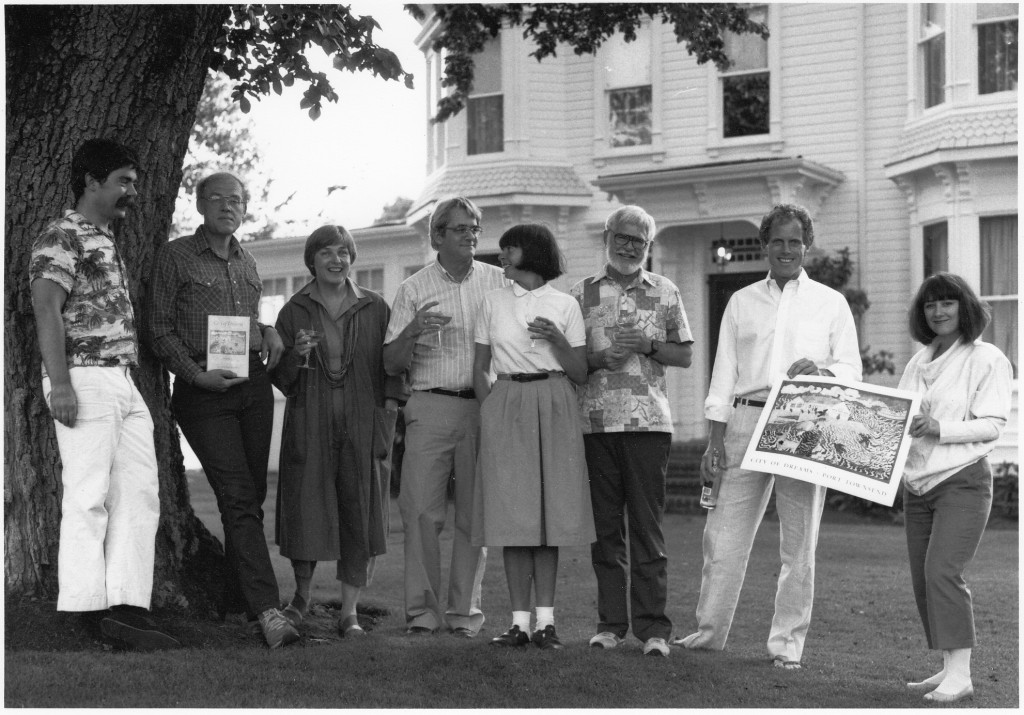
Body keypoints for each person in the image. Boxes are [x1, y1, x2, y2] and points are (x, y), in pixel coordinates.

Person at [674, 203, 862, 668]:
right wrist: (714, 441)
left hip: (804, 422)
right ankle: (709, 633)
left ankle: (787, 647)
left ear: (807, 245)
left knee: (799, 544)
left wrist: (822, 370)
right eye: (776, 240)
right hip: (744, 420)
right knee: (723, 537)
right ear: (764, 245)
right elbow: (723, 375)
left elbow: (851, 370)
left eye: (794, 240)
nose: (785, 249)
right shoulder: (741, 301)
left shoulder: (830, 303)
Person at [29, 138, 178, 649]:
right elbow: (46, 309)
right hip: (83, 377)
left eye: (133, 183)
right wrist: (62, 383)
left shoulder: (105, 237)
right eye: (123, 182)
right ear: (92, 181)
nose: (132, 192)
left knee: (140, 492)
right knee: (88, 494)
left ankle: (128, 607)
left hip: (124, 379)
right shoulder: (61, 235)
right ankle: (83, 610)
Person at [147, 171, 297, 649]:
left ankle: (238, 602)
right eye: (218, 199)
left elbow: (248, 322)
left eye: (237, 200)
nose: (228, 207)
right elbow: (158, 329)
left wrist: (269, 331)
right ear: (200, 204)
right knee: (235, 494)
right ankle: (269, 611)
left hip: (251, 385)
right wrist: (194, 376)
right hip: (203, 390)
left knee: (249, 497)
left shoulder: (248, 261)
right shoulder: (175, 256)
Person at [268, 225, 405, 638]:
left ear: (352, 258)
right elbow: (281, 379)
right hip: (311, 424)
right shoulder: (293, 310)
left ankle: (349, 612)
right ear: (312, 259)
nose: (336, 260)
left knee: (361, 515)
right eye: (326, 252)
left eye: (343, 252)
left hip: (364, 427)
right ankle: (302, 598)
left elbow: (392, 368)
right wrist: (296, 355)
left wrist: (389, 417)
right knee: (307, 511)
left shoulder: (376, 307)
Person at [570, 205, 693, 657]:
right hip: (595, 424)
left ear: (649, 247)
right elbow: (567, 361)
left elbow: (684, 355)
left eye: (638, 241)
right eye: (621, 237)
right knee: (605, 531)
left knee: (647, 530)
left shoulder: (665, 291)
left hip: (648, 425)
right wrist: (598, 359)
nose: (628, 246)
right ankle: (610, 625)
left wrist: (648, 346)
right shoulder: (580, 294)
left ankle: (654, 630)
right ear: (607, 236)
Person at [383, 196, 509, 637]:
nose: (471, 236)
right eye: (461, 229)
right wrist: (414, 329)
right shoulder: (413, 289)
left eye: (475, 228)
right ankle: (422, 613)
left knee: (475, 517)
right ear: (437, 235)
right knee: (420, 511)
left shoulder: (499, 283)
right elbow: (391, 363)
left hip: (483, 406)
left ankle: (464, 614)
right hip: (430, 405)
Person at [472, 224, 594, 650]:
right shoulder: (492, 301)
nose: (502, 254)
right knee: (512, 517)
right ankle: (518, 624)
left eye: (511, 247)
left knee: (548, 517)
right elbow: (480, 366)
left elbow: (579, 372)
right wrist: (491, 407)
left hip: (555, 399)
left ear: (535, 252)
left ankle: (546, 623)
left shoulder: (565, 304)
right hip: (507, 400)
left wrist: (558, 339)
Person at [899, 273, 1013, 704]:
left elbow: (993, 424)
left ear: (964, 306)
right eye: (930, 305)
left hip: (962, 481)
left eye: (948, 302)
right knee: (922, 580)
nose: (939, 311)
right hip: (917, 483)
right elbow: (897, 419)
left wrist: (939, 427)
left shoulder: (986, 358)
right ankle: (948, 668)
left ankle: (962, 675)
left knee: (942, 572)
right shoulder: (917, 362)